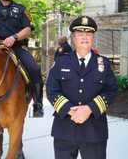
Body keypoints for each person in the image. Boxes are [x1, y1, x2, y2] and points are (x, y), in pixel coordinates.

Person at [46, 16, 118, 159]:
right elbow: (51, 90)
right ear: (73, 38)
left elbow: (111, 90)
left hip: (94, 131)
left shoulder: (103, 64)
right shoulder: (61, 62)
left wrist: (89, 109)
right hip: (64, 129)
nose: (84, 37)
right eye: (80, 34)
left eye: (88, 34)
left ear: (93, 37)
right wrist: (70, 111)